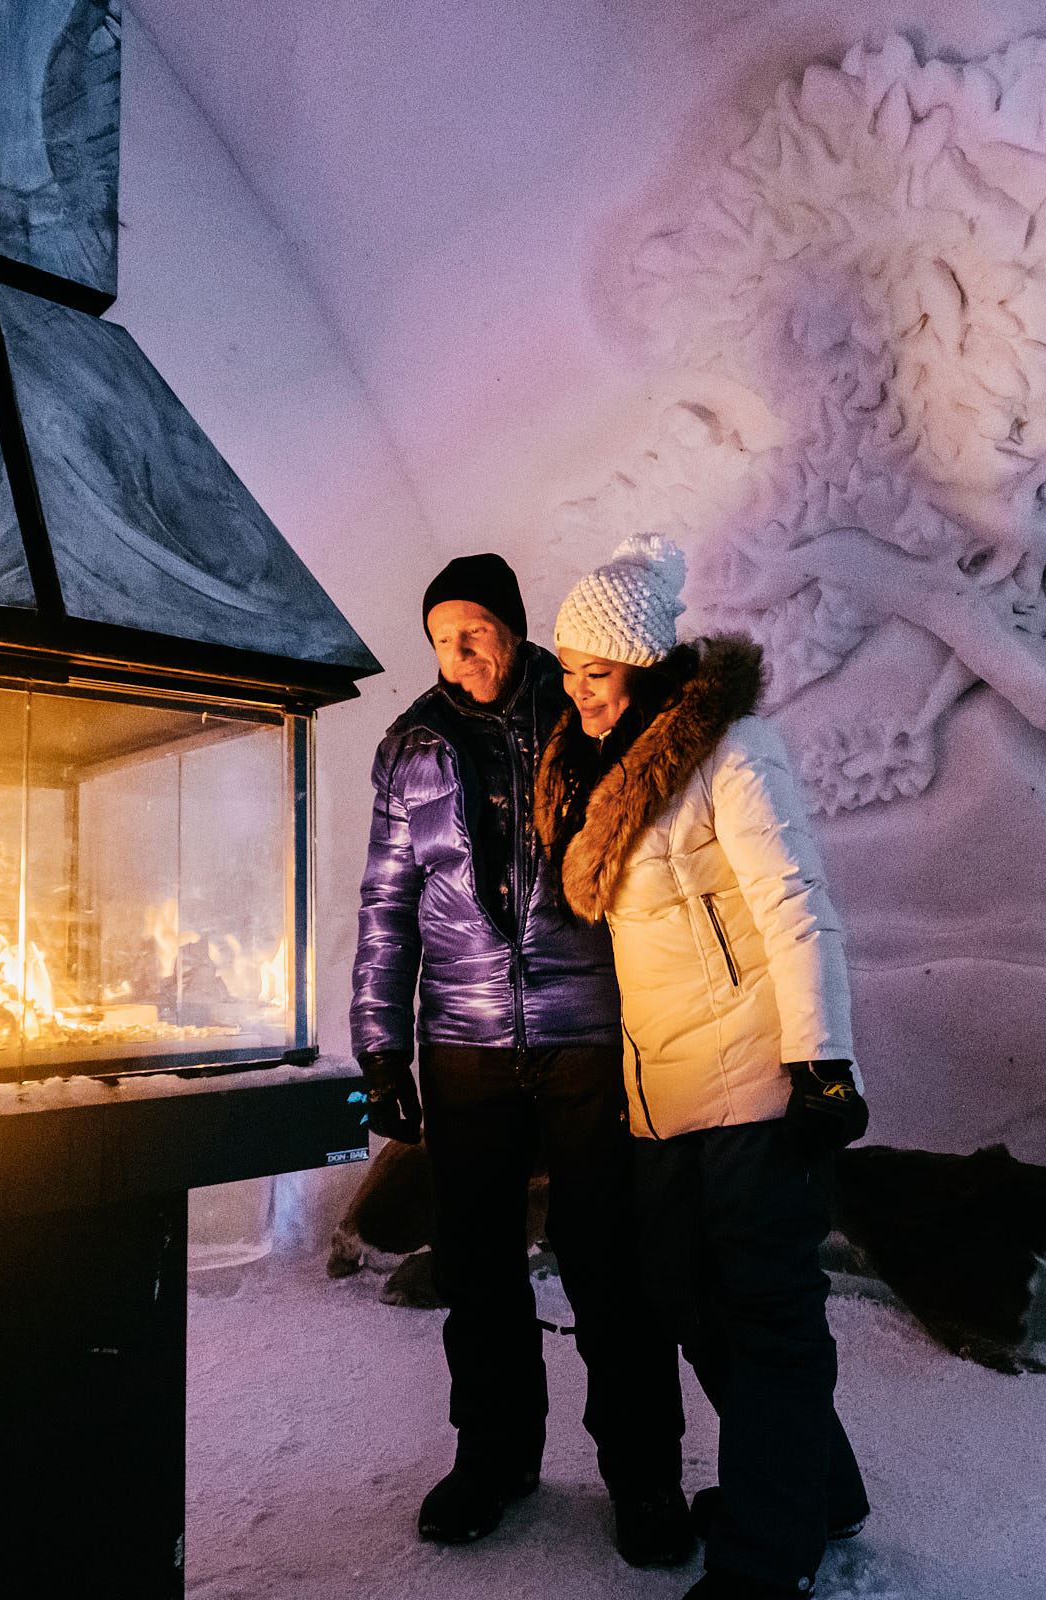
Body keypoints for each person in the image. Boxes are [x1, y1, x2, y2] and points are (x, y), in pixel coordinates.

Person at [532, 536, 872, 1600]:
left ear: (642, 664)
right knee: (691, 1300)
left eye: (595, 670)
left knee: (765, 1311)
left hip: (755, 1077)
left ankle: (762, 1566)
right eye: (569, 669)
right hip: (660, 1092)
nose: (577, 690)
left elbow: (796, 905)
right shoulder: (604, 774)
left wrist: (821, 1062)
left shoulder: (734, 749)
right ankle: (819, 1492)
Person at [350, 552, 692, 1564]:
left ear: (512, 625)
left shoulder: (585, 710)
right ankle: (494, 1455)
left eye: (474, 634)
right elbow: (387, 906)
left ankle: (645, 1478)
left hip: (587, 1029)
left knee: (609, 1262)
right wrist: (380, 1046)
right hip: (462, 1042)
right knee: (479, 1265)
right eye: (440, 642)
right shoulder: (410, 745)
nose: (459, 658)